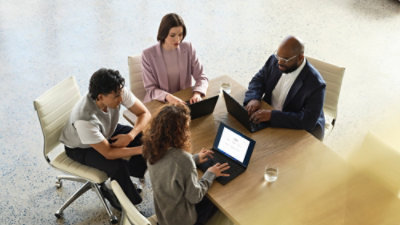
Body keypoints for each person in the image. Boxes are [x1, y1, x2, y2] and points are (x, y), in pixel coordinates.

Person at [59, 68, 151, 209]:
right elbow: (108, 153)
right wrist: (142, 150)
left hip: (105, 130)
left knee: (142, 137)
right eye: (116, 97)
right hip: (81, 147)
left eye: (121, 94)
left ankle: (130, 174)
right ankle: (128, 204)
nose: (121, 100)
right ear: (101, 97)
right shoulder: (84, 119)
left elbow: (144, 113)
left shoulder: (116, 90)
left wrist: (130, 136)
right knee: (117, 166)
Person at [142, 104, 230, 225]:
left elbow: (170, 168)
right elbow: (195, 196)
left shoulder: (152, 150)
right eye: (186, 128)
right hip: (184, 221)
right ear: (179, 133)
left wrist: (195, 159)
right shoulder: (183, 159)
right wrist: (210, 174)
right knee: (220, 199)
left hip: (164, 217)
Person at [244, 36, 326, 140]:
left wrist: (272, 116)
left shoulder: (317, 84)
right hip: (267, 115)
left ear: (300, 57)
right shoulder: (274, 60)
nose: (279, 62)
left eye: (285, 59)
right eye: (278, 56)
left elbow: (307, 121)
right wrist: (254, 98)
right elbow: (258, 79)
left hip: (297, 128)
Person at [141, 13, 208, 104]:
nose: (177, 39)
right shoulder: (147, 55)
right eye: (172, 35)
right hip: (160, 102)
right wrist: (168, 97)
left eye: (180, 34)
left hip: (184, 100)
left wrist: (197, 93)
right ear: (163, 34)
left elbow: (201, 77)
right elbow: (151, 89)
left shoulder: (188, 48)